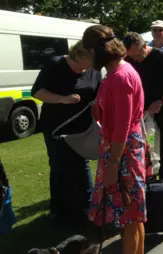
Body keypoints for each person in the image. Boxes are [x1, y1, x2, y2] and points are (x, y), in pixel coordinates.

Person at [82, 25, 146, 254]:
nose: (88, 57)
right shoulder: (120, 70)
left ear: (96, 51)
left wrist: (113, 164)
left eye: (88, 52)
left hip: (122, 154)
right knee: (134, 216)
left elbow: (122, 127)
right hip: (124, 150)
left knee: (127, 217)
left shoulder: (120, 77)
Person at [31, 40, 101, 225]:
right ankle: (59, 210)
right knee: (59, 166)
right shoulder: (55, 65)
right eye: (91, 60)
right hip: (56, 128)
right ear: (79, 56)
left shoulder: (94, 70)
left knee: (82, 164)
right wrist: (62, 99)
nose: (93, 65)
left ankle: (87, 207)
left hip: (83, 128)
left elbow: (98, 94)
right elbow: (37, 92)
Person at [123, 32, 163, 194]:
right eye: (131, 56)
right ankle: (148, 185)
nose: (136, 60)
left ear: (145, 46)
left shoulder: (162, 57)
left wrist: (162, 101)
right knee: (147, 147)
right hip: (142, 115)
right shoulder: (127, 60)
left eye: (138, 55)